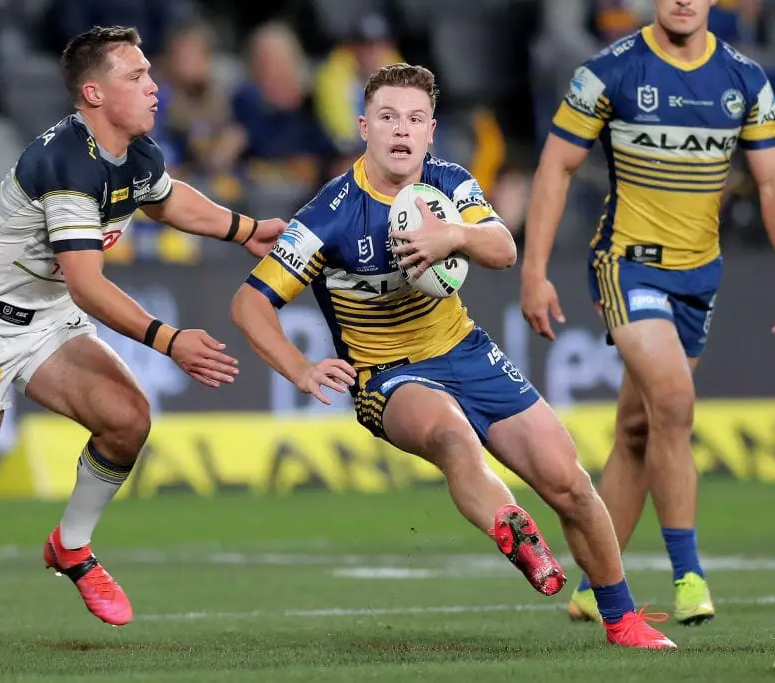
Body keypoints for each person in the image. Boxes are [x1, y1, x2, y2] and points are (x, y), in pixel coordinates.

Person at [230, 63, 677, 650]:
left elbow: (504, 249)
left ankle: (623, 621)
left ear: (431, 130)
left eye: (415, 119)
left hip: (465, 351)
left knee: (568, 481)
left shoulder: (450, 183)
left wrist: (454, 235)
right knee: (452, 435)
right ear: (364, 127)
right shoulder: (330, 214)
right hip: (387, 375)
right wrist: (299, 367)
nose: (402, 130)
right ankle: (513, 527)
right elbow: (249, 303)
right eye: (388, 117)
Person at [0, 25, 286, 658]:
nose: (153, 86)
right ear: (94, 93)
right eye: (136, 76)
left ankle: (71, 545)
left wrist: (243, 228)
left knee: (127, 419)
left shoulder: (134, 151)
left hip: (45, 321)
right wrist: (168, 340)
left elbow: (166, 201)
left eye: (149, 73)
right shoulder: (65, 163)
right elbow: (85, 284)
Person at [520, 0, 775, 625]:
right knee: (675, 400)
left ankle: (592, 585)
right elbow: (556, 165)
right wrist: (534, 270)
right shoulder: (609, 71)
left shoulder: (747, 81)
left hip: (700, 274)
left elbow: (770, 183)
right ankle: (689, 575)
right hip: (627, 265)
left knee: (639, 429)